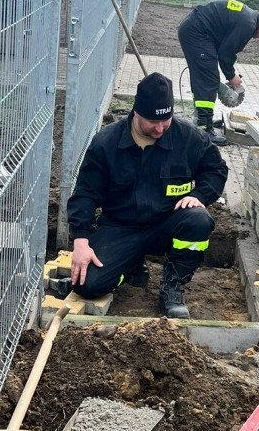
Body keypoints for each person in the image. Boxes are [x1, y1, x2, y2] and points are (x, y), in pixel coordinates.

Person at [66, 72, 228, 320]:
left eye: (166, 121)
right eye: (153, 122)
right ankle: (130, 263)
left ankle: (173, 286)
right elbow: (86, 193)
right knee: (88, 285)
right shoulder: (106, 143)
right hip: (121, 226)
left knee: (199, 220)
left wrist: (200, 195)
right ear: (136, 112)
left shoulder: (188, 137)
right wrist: (81, 240)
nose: (160, 128)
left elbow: (216, 169)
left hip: (167, 223)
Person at [177, 0, 259, 145]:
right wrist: (231, 76)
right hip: (197, 32)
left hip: (196, 29)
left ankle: (203, 120)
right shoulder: (247, 24)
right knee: (208, 80)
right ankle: (204, 129)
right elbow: (226, 53)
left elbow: (224, 48)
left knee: (205, 77)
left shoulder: (249, 18)